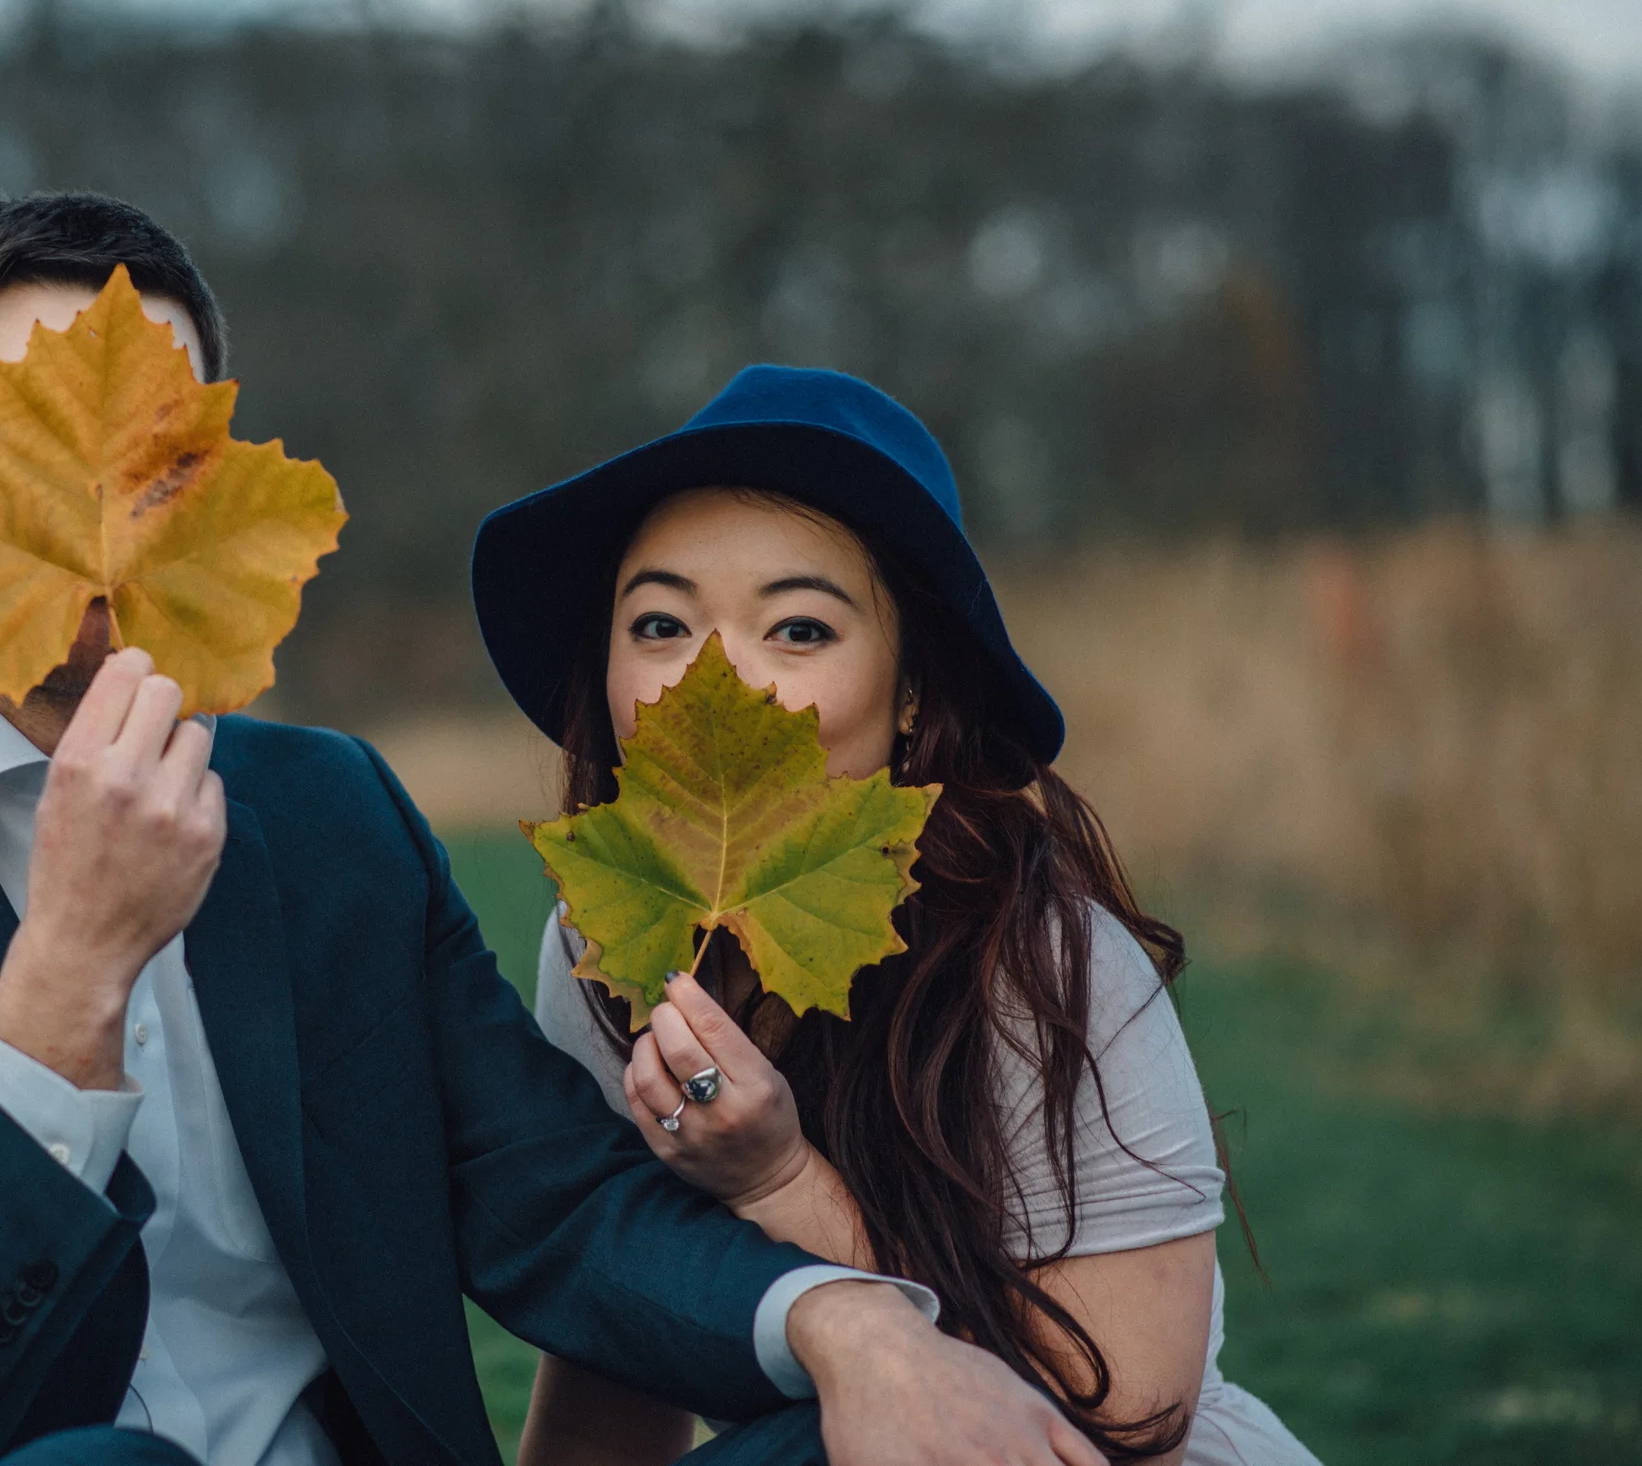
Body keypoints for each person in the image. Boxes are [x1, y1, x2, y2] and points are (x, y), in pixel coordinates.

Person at [0, 193, 1107, 1466]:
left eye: (159, 454)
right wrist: (67, 974)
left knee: (850, 1430)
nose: (103, 502)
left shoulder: (324, 814)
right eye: (25, 440)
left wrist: (847, 1325)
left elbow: (553, 1196)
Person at [468, 366, 1320, 1466]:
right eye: (663, 622)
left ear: (912, 690)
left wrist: (779, 1183)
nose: (716, 680)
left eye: (799, 631)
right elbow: (618, 1329)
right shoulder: (603, 943)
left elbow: (1123, 1427)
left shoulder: (1041, 960)